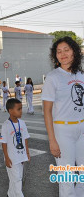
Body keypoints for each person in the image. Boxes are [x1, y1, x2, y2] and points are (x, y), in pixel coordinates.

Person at [42, 36, 84, 197]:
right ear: (55, 55)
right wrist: (52, 140)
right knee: (67, 178)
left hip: (81, 130)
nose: (63, 54)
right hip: (62, 131)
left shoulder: (81, 75)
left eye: (66, 49)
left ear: (75, 51)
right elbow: (47, 111)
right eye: (59, 51)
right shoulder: (53, 77)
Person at [0, 98, 30, 197]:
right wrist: (6, 158)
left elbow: (25, 138)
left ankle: (10, 194)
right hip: (11, 158)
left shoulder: (22, 123)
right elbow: (3, 143)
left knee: (18, 178)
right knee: (17, 180)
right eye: (19, 109)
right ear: (10, 111)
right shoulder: (6, 125)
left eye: (21, 108)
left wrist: (27, 154)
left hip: (21, 156)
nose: (21, 111)